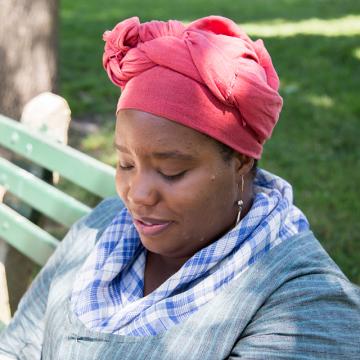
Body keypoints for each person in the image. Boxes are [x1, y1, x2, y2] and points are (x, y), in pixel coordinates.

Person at [0, 15, 359, 360]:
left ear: (240, 162)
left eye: (171, 171)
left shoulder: (305, 307)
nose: (137, 195)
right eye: (125, 163)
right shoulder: (105, 226)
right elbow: (17, 346)